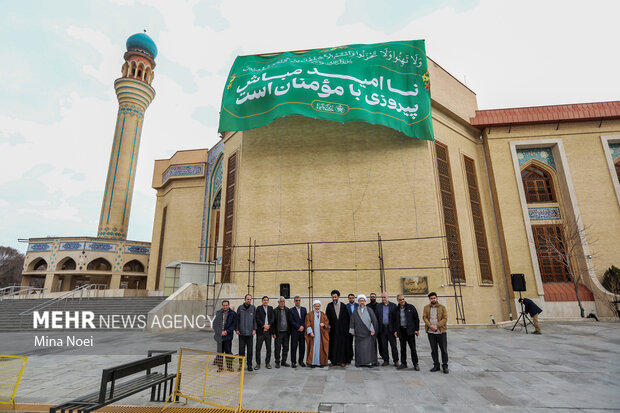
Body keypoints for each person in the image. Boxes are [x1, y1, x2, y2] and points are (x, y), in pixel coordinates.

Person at [349, 294, 378, 367]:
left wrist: (372, 330)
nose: (362, 302)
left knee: (368, 349)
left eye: (363, 301)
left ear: (365, 301)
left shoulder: (369, 310)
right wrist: (352, 330)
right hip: (359, 333)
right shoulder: (355, 310)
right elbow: (352, 321)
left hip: (368, 333)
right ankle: (359, 363)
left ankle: (369, 362)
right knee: (359, 349)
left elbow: (373, 321)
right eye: (360, 301)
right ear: (358, 302)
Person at [423, 292, 448, 374]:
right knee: (434, 350)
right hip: (430, 332)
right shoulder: (426, 307)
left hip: (441, 332)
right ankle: (436, 365)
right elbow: (424, 317)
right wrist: (430, 326)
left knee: (443, 350)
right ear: (429, 299)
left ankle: (445, 366)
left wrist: (436, 326)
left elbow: (445, 318)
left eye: (434, 298)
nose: (433, 299)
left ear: (436, 298)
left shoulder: (442, 307)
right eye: (431, 298)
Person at [325, 289, 351, 367]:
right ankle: (333, 361)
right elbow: (327, 317)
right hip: (333, 330)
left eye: (335, 297)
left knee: (342, 345)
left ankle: (342, 361)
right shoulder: (329, 306)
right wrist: (328, 327)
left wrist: (347, 329)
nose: (334, 299)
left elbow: (347, 318)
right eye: (333, 297)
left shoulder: (343, 306)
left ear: (338, 297)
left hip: (342, 330)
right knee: (333, 345)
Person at [395, 294, 419, 371]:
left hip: (410, 331)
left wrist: (416, 329)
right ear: (398, 300)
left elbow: (416, 318)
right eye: (400, 300)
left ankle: (415, 364)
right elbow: (395, 321)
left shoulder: (411, 307)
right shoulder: (396, 309)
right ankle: (403, 363)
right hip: (401, 331)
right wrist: (396, 331)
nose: (402, 301)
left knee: (413, 348)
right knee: (402, 348)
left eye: (403, 299)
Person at [375, 292, 399, 366]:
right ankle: (386, 360)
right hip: (382, 329)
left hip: (391, 329)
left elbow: (396, 319)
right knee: (384, 346)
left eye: (384, 297)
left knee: (393, 346)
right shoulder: (378, 306)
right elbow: (376, 318)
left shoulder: (393, 306)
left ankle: (396, 361)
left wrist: (396, 330)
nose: (383, 299)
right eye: (382, 297)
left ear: (388, 297)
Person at [304, 300, 330, 367]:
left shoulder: (323, 314)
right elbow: (307, 323)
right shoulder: (309, 314)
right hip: (313, 335)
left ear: (320, 306)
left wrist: (324, 324)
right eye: (316, 306)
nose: (317, 307)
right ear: (313, 306)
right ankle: (312, 363)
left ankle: (320, 362)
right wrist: (310, 332)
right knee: (313, 348)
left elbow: (327, 322)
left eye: (318, 306)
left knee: (321, 349)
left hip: (321, 335)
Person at [213, 300, 237, 371]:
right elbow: (214, 325)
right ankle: (220, 367)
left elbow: (234, 325)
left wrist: (227, 331)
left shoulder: (233, 314)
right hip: (219, 336)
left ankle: (229, 367)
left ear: (228, 305)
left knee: (228, 352)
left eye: (226, 305)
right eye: (224, 305)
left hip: (228, 336)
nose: (225, 306)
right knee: (220, 352)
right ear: (222, 305)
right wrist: (220, 332)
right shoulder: (218, 313)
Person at [236, 294, 256, 371]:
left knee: (250, 350)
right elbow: (237, 319)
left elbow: (255, 320)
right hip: (241, 333)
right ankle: (241, 365)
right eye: (247, 299)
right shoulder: (240, 308)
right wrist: (237, 329)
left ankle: (249, 365)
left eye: (250, 299)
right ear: (244, 299)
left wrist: (254, 329)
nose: (249, 300)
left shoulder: (253, 308)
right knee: (241, 350)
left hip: (250, 333)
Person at [255, 295, 275, 370]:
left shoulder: (270, 308)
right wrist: (263, 326)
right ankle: (258, 364)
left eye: (267, 300)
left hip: (268, 331)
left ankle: (267, 363)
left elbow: (272, 318)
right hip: (261, 331)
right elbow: (257, 318)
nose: (265, 301)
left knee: (268, 348)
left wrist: (268, 325)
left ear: (268, 301)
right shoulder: (259, 308)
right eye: (264, 300)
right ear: (262, 301)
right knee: (258, 348)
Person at [289, 295, 307, 368]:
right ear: (294, 301)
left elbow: (306, 319)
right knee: (294, 347)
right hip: (295, 331)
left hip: (302, 332)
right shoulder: (291, 310)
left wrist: (302, 326)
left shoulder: (304, 309)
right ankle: (293, 362)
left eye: (299, 300)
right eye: (296, 300)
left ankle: (301, 361)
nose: (298, 302)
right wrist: (298, 327)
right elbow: (291, 321)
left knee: (302, 347)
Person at [273, 296, 291, 367]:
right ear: (278, 302)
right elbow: (273, 323)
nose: (282, 303)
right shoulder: (275, 310)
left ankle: (284, 361)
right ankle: (277, 362)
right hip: (278, 332)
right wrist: (273, 333)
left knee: (286, 347)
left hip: (286, 332)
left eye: (283, 301)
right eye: (281, 301)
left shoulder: (287, 310)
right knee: (277, 348)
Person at [345, 293, 358, 361]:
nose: (351, 299)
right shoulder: (345, 306)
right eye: (350, 298)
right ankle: (349, 357)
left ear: (354, 298)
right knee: (349, 343)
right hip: (349, 327)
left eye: (352, 298)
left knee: (358, 343)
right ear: (348, 299)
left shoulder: (358, 305)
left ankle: (359, 356)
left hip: (358, 327)